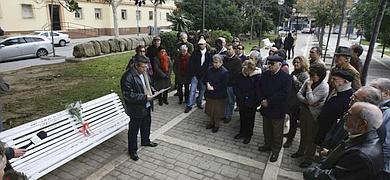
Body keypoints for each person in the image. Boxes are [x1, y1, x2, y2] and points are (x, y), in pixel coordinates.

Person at [303, 102, 384, 180]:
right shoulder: (359, 134)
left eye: (349, 115)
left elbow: (333, 177)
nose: (344, 116)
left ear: (362, 124)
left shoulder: (360, 156)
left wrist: (311, 172)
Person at [292, 64, 330, 168]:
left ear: (320, 76)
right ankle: (300, 151)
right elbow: (299, 94)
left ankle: (308, 159)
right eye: (311, 75)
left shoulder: (324, 86)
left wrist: (308, 88)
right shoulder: (308, 80)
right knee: (303, 133)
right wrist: (308, 102)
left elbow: (312, 100)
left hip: (313, 115)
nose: (311, 77)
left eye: (314, 75)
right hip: (304, 110)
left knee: (311, 138)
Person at [121, 56, 158, 161]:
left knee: (147, 124)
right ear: (136, 66)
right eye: (143, 67)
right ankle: (132, 150)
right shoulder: (127, 77)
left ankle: (145, 140)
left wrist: (153, 90)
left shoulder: (144, 73)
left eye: (146, 67)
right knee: (133, 130)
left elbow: (149, 85)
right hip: (136, 108)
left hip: (146, 105)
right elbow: (128, 95)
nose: (145, 69)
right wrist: (144, 97)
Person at [258, 55, 292, 162]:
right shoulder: (265, 74)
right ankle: (267, 145)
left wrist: (269, 101)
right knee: (266, 129)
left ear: (280, 65)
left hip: (277, 109)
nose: (270, 66)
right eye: (269, 63)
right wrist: (262, 100)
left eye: (272, 64)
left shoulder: (286, 78)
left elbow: (284, 94)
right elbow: (259, 88)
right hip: (265, 107)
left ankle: (275, 151)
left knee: (277, 132)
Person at [315, 70, 354, 147]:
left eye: (334, 79)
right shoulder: (335, 90)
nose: (331, 81)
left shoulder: (350, 97)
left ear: (345, 81)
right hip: (323, 128)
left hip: (331, 134)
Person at [283, 56, 310, 148]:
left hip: (297, 102)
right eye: (294, 62)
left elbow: (303, 89)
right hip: (291, 99)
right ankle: (289, 134)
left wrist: (295, 81)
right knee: (291, 118)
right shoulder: (294, 72)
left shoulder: (304, 74)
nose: (295, 64)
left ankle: (290, 139)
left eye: (298, 62)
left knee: (294, 121)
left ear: (302, 63)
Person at [234, 60, 261, 144]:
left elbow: (258, 90)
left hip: (251, 102)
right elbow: (236, 86)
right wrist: (239, 96)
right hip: (241, 101)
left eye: (248, 69)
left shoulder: (257, 77)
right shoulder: (240, 75)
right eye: (245, 69)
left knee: (250, 119)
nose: (247, 71)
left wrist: (254, 101)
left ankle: (248, 135)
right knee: (242, 117)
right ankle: (242, 132)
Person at [184, 38, 212, 113]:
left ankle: (199, 102)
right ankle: (189, 105)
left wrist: (206, 75)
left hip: (204, 75)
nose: (200, 46)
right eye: (199, 44)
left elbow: (209, 65)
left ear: (205, 45)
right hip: (195, 75)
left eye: (202, 44)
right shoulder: (195, 53)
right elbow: (191, 64)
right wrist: (193, 74)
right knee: (192, 90)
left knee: (202, 90)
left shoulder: (208, 54)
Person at [204, 55, 229, 133]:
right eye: (214, 62)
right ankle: (211, 123)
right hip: (210, 94)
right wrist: (207, 84)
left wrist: (214, 87)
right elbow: (205, 78)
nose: (215, 64)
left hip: (219, 95)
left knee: (217, 111)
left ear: (221, 63)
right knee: (210, 110)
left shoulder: (225, 72)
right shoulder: (209, 70)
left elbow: (224, 85)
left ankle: (216, 125)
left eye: (216, 62)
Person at [370, 78, 390, 175]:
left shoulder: (387, 113)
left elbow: (386, 144)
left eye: (374, 89)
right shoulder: (379, 108)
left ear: (386, 93)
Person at [222, 45, 242, 123]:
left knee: (230, 101)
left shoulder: (237, 60)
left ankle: (228, 116)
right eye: (227, 49)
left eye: (229, 49)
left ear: (234, 50)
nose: (228, 51)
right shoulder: (226, 59)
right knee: (225, 100)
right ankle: (224, 114)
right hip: (225, 83)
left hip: (231, 84)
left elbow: (236, 74)